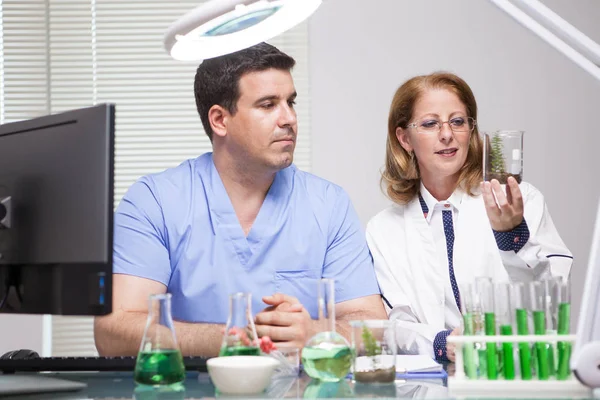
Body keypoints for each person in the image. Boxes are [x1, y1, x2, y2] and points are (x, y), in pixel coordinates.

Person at [94, 42, 387, 357]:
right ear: (220, 120)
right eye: (267, 104)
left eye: (291, 102)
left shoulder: (328, 204)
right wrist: (239, 337)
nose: (288, 118)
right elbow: (114, 331)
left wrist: (316, 334)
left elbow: (372, 324)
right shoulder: (154, 202)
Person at [366, 72, 572, 362]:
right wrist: (442, 343)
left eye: (458, 121)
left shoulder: (522, 200)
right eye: (430, 123)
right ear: (404, 138)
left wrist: (512, 236)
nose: (447, 134)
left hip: (519, 376)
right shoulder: (384, 230)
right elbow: (395, 325)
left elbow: (551, 304)